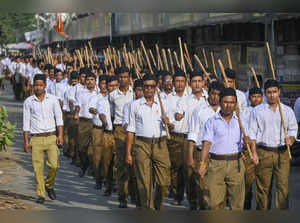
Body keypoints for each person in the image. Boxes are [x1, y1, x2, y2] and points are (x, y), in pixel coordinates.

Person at [198, 88, 256, 210]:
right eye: (226, 102)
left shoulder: (241, 121)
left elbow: (247, 143)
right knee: (213, 202)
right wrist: (202, 163)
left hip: (236, 164)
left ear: (235, 104)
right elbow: (207, 143)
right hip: (216, 164)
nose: (229, 105)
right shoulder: (212, 121)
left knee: (237, 203)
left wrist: (247, 143)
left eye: (232, 102)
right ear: (220, 102)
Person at [249, 79, 298, 210]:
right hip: (264, 152)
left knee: (282, 187)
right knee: (263, 189)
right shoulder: (257, 111)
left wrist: (291, 139)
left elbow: (293, 129)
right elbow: (252, 133)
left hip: (283, 153)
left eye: (275, 92)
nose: (272, 95)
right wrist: (253, 153)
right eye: (269, 92)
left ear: (279, 92)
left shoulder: (287, 111)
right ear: (265, 93)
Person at [126, 73, 171, 210]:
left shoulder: (164, 103)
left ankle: (157, 205)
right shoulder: (134, 105)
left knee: (163, 182)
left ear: (156, 87)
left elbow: (174, 122)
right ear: (143, 87)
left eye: (152, 86)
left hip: (160, 144)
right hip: (141, 144)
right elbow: (131, 130)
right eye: (146, 86)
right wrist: (128, 152)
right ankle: (148, 210)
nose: (149, 89)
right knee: (144, 183)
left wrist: (168, 122)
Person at [23, 74, 63, 204]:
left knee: (54, 165)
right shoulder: (29, 101)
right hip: (36, 138)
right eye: (36, 85)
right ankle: (41, 194)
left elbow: (59, 118)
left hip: (51, 137)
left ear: (45, 86)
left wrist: (60, 135)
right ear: (33, 86)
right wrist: (26, 141)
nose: (38, 87)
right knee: (37, 168)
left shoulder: (53, 100)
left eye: (41, 85)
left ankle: (49, 185)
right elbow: (26, 122)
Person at [187, 81, 224, 210]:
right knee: (201, 187)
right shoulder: (199, 110)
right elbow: (193, 133)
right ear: (208, 93)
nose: (215, 97)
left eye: (218, 95)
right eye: (213, 94)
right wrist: (190, 156)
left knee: (217, 188)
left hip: (219, 155)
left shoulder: (225, 111)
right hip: (200, 153)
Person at [174, 69, 207, 210]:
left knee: (205, 176)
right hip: (191, 141)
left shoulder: (209, 98)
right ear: (190, 82)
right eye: (194, 81)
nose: (197, 84)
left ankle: (204, 203)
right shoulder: (185, 100)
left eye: (200, 81)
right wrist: (178, 116)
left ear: (203, 82)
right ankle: (193, 203)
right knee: (190, 174)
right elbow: (178, 114)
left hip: (207, 143)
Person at [108, 67, 134, 208]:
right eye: (121, 77)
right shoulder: (113, 95)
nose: (123, 79)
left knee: (134, 163)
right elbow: (111, 115)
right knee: (121, 163)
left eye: (126, 77)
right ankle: (122, 196)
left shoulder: (135, 93)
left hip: (135, 130)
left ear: (129, 77)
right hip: (120, 130)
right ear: (118, 78)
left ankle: (134, 194)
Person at [165, 68, 188, 204]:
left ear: (186, 82)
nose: (179, 84)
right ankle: (176, 192)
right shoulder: (168, 99)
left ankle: (183, 192)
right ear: (173, 83)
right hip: (174, 136)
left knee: (186, 168)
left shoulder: (190, 98)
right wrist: (170, 123)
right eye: (177, 81)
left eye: (182, 81)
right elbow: (165, 116)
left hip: (188, 136)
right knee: (175, 166)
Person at [240, 87, 264, 210]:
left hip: (263, 149)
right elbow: (242, 130)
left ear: (262, 97)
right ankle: (246, 207)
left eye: (259, 96)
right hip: (248, 150)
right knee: (247, 183)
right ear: (249, 98)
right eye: (254, 96)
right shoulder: (244, 112)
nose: (256, 99)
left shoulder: (266, 110)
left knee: (263, 184)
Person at [74, 72, 98, 177]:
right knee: (82, 148)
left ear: (95, 81)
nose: (89, 81)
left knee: (93, 148)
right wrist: (76, 112)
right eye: (88, 79)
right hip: (84, 122)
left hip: (95, 123)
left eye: (92, 79)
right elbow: (78, 105)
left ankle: (93, 168)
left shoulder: (99, 93)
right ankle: (84, 166)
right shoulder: (80, 93)